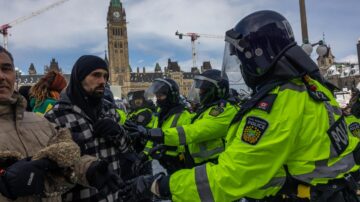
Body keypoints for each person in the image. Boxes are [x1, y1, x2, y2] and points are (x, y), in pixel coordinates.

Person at [124, 10, 360, 202]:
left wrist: (161, 185)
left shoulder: (279, 104)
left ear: (258, 56)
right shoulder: (313, 88)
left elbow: (232, 177)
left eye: (242, 57)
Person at [0, 45, 92, 201]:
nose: (1, 76)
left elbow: (66, 168)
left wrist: (91, 169)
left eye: (6, 68)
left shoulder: (40, 121)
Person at [45, 55, 131, 201]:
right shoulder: (56, 116)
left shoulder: (109, 110)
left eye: (105, 76)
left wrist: (119, 133)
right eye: (96, 75)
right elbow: (50, 172)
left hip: (113, 196)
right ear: (79, 77)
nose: (102, 81)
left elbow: (126, 148)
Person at [126, 69, 240, 169]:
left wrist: (153, 134)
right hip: (201, 164)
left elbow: (194, 131)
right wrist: (146, 153)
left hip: (217, 164)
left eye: (203, 90)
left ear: (216, 90)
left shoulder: (224, 110)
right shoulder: (207, 109)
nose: (199, 93)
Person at [126, 78, 194, 174]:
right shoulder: (160, 114)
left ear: (171, 96)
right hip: (161, 162)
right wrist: (144, 154)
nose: (158, 99)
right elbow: (152, 138)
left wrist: (167, 148)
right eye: (157, 96)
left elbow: (187, 143)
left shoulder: (184, 115)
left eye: (161, 96)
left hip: (178, 164)